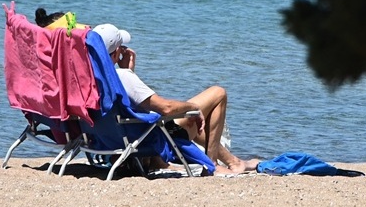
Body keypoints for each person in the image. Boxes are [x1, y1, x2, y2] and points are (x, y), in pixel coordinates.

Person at [92, 23, 259, 175]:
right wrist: (192, 107)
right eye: (122, 47)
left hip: (110, 138)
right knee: (217, 93)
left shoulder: (89, 78)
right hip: (148, 139)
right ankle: (212, 164)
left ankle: (234, 161)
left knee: (185, 119)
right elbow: (166, 108)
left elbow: (127, 105)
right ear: (116, 54)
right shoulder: (122, 77)